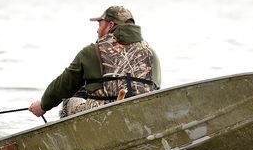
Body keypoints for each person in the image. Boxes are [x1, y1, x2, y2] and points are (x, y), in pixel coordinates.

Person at [28, 6, 161, 119]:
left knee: (70, 101)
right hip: (142, 112)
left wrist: (43, 105)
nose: (97, 30)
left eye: (99, 25)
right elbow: (155, 87)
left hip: (104, 116)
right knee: (85, 88)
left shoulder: (93, 51)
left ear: (110, 25)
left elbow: (65, 84)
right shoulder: (150, 53)